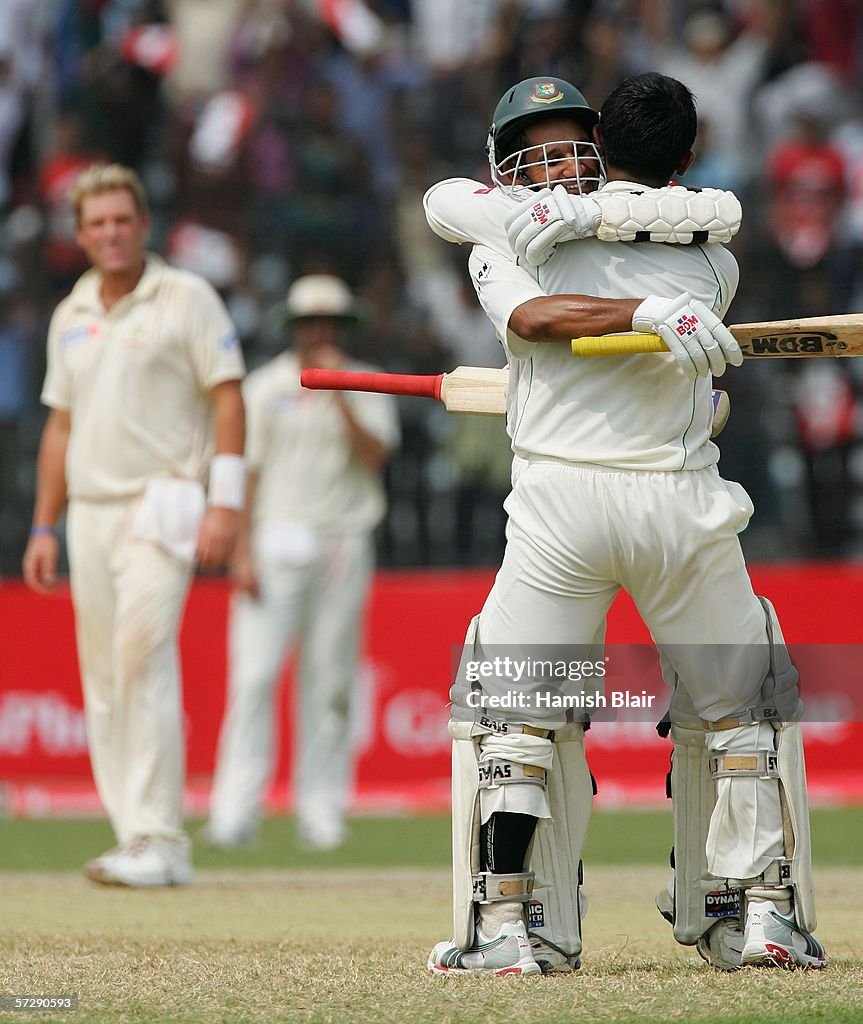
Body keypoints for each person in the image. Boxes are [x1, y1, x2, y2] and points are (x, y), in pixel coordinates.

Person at [424, 74, 826, 975]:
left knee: (520, 715)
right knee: (736, 715)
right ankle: (752, 914)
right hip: (679, 505)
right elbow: (665, 266)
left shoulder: (514, 242)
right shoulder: (712, 262)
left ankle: (508, 929)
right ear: (686, 155)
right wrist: (654, 316)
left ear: (601, 142)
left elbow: (529, 317)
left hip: (560, 511)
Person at [22, 163, 246, 887]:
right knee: (105, 680)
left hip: (164, 499)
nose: (111, 233)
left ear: (143, 225)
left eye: (123, 220)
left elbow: (227, 398)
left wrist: (226, 500)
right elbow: (60, 426)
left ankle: (158, 835)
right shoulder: (72, 311)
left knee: (141, 658)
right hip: (89, 510)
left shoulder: (185, 296)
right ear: (80, 235)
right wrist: (43, 526)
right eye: (97, 224)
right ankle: (137, 837)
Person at [203, 274, 400, 852]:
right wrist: (240, 551)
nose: (319, 333)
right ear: (293, 328)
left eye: (329, 325)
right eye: (310, 324)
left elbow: (373, 456)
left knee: (331, 680)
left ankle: (321, 810)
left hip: (342, 539)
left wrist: (338, 389)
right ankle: (234, 811)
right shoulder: (265, 386)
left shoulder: (364, 382)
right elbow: (250, 473)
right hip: (274, 540)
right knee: (255, 676)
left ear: (342, 329)